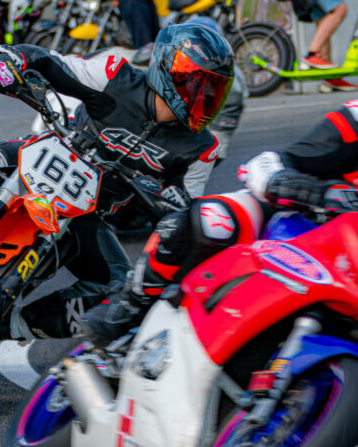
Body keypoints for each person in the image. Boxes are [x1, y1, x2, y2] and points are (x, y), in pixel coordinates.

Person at [0, 19, 234, 340]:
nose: (204, 97)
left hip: (86, 215)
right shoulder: (115, 75)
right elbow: (51, 62)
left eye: (214, 89)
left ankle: (8, 325)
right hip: (43, 152)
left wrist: (171, 210)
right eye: (196, 82)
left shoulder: (201, 150)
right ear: (168, 69)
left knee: (117, 289)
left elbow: (184, 220)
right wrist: (13, 60)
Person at [84, 101, 358, 346]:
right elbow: (271, 163)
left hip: (350, 272)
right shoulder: (354, 119)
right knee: (213, 218)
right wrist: (306, 189)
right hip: (311, 237)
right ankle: (132, 303)